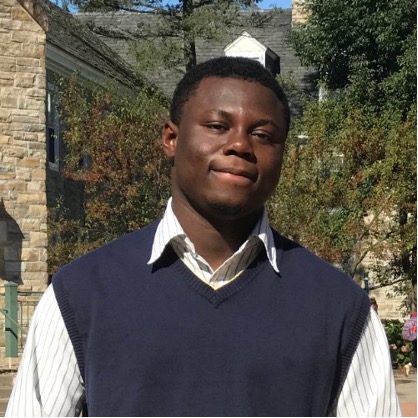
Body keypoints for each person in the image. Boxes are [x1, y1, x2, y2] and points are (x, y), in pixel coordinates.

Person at [6, 57, 400, 417]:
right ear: (171, 138)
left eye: (263, 135)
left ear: (283, 155)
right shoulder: (81, 294)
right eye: (217, 126)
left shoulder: (340, 309)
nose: (240, 145)